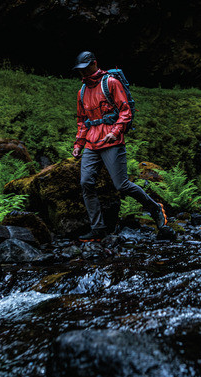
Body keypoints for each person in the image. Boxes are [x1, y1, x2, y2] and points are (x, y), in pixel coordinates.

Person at [71, 51, 175, 242]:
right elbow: (82, 121)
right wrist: (78, 144)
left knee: (122, 185)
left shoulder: (110, 82)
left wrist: (115, 131)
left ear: (94, 64)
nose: (83, 73)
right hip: (91, 143)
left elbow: (125, 111)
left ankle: (154, 208)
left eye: (86, 69)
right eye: (80, 71)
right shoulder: (82, 92)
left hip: (112, 141)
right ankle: (98, 229)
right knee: (86, 183)